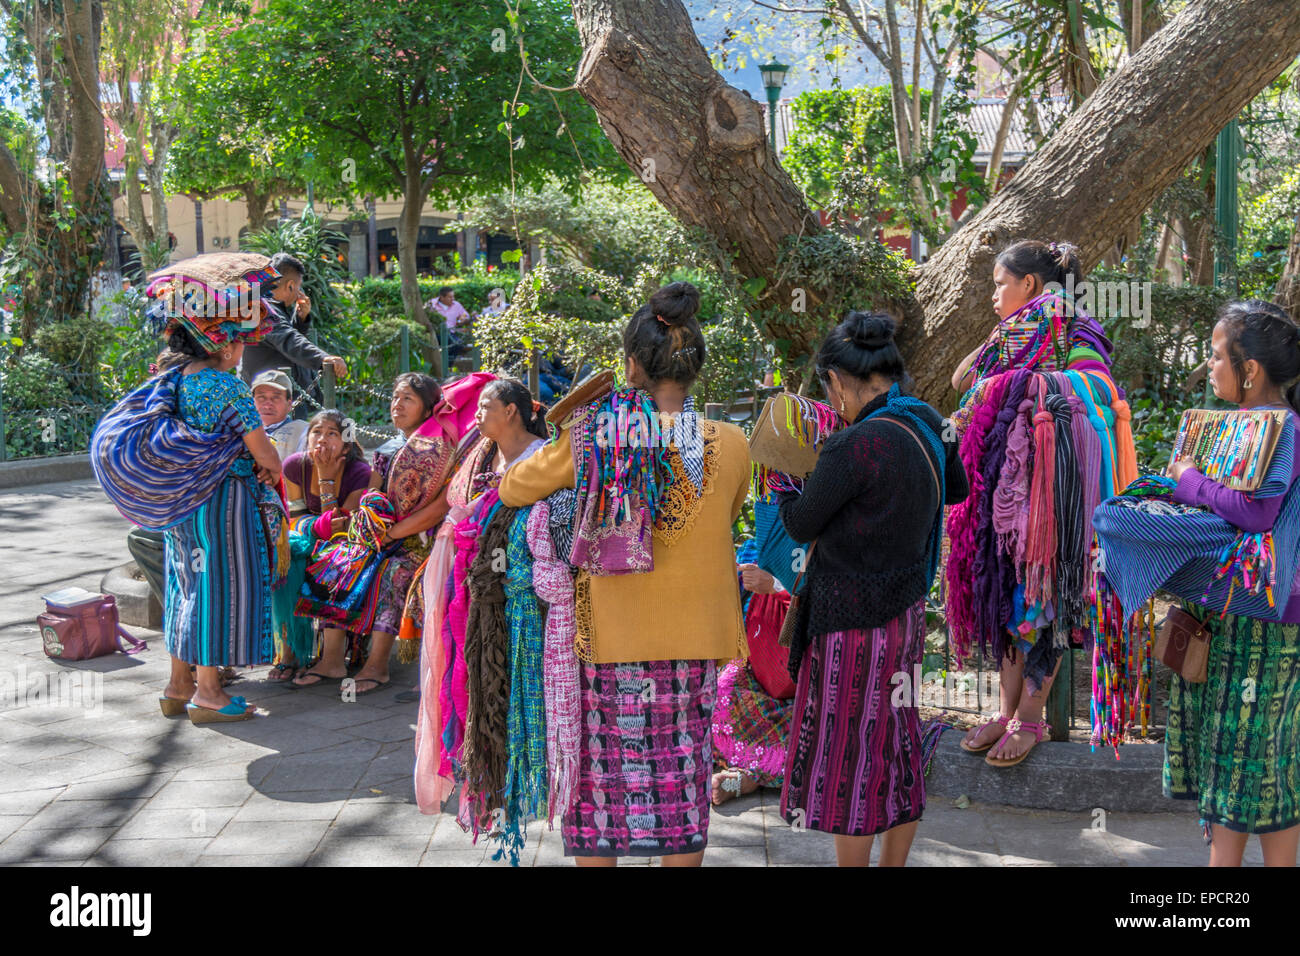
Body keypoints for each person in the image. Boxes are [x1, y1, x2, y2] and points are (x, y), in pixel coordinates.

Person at [499, 281, 751, 866]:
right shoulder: (733, 443)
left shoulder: (595, 439)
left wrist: (572, 435)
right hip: (696, 641)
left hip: (610, 638)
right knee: (683, 783)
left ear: (631, 365)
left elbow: (514, 485)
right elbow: (726, 518)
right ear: (695, 367)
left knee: (599, 796)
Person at [776, 312, 967, 867]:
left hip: (848, 626)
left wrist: (787, 480)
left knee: (849, 756)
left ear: (837, 379)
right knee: (896, 743)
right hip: (905, 614)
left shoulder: (854, 446)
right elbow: (953, 488)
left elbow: (799, 523)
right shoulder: (925, 422)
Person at [948, 239, 1136, 767]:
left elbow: (1097, 386)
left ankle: (1031, 718)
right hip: (1008, 481)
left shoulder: (1071, 326)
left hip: (1057, 488)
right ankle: (1008, 712)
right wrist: (998, 355)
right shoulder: (1016, 331)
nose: (992, 296)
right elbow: (964, 382)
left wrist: (1010, 383)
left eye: (999, 284)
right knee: (1010, 589)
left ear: (1029, 284)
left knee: (1045, 595)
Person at [1161, 300, 1300, 866]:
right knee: (1257, 771)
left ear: (1251, 370)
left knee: (1248, 769)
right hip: (1227, 614)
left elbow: (1257, 513)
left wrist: (1188, 479)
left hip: (1266, 625)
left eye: (1217, 356)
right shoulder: (1234, 426)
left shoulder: (1285, 429)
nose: (1209, 365)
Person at [413, 375, 548, 809]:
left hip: (527, 593)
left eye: (486, 405)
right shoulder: (488, 456)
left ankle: (532, 769)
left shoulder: (543, 458)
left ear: (512, 411)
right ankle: (503, 769)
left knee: (524, 679)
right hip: (487, 587)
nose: (478, 414)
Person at [154, 310, 285, 722]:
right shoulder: (224, 385)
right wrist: (273, 466)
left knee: (183, 583)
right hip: (221, 500)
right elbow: (262, 449)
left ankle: (178, 685)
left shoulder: (169, 380)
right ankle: (209, 691)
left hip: (179, 500)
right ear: (225, 346)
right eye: (241, 341)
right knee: (216, 586)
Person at [293, 373, 455, 694]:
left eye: (408, 398)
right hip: (380, 535)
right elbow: (372, 497)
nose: (398, 404)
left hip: (420, 541)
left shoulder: (442, 450)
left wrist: (395, 532)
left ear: (427, 408)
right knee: (336, 561)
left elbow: (438, 509)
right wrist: (374, 529)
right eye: (395, 397)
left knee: (392, 572)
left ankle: (377, 665)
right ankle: (332, 658)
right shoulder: (387, 449)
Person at [711, 494, 804, 805]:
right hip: (758, 668)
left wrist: (777, 587)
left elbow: (826, 610)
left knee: (820, 740)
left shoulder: (822, 550)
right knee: (718, 693)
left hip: (809, 677)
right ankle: (747, 774)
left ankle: (746, 780)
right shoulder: (754, 553)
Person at [267, 410, 372, 681]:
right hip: (307, 539)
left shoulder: (359, 472)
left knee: (325, 558)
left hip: (347, 545)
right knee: (288, 558)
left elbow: (341, 529)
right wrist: (317, 526)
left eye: (331, 434)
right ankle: (290, 653)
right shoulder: (294, 466)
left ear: (346, 444)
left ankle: (329, 659)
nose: (322, 440)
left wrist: (325, 478)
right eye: (316, 432)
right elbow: (293, 519)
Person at [240, 253, 348, 413]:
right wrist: (323, 359)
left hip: (281, 397)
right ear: (290, 285)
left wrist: (299, 319)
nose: (299, 292)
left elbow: (280, 340)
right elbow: (288, 340)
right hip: (273, 403)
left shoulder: (264, 306)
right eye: (298, 287)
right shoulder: (262, 310)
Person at [250, 369, 307, 459]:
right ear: (252, 402)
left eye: (276, 398)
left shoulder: (302, 431)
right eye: (261, 397)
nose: (268, 406)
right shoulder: (241, 432)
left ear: (289, 404)